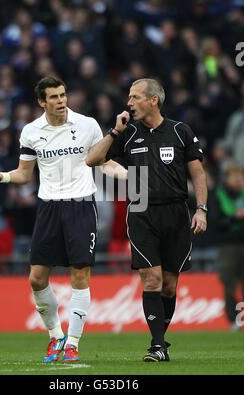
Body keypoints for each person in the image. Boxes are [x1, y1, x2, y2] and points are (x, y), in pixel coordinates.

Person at [0, 76, 106, 364]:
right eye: (54, 97)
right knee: (36, 278)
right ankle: (55, 335)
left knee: (80, 275)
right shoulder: (31, 131)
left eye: (63, 94)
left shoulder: (88, 125)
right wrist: (3, 176)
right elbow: (25, 174)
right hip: (48, 208)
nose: (61, 100)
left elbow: (102, 160)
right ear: (42, 102)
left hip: (81, 205)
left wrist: (130, 177)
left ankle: (73, 342)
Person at [86, 78, 208, 362]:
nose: (129, 103)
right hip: (141, 209)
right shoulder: (127, 133)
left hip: (176, 211)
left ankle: (159, 341)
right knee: (151, 278)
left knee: (169, 284)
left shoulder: (180, 131)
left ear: (153, 100)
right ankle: (157, 345)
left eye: (135, 97)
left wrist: (201, 209)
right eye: (129, 97)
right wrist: (115, 131)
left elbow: (198, 174)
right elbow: (92, 160)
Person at [208, 162, 244, 331]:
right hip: (228, 245)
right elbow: (215, 222)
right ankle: (234, 320)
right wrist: (234, 218)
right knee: (229, 284)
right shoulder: (217, 195)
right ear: (227, 179)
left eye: (241, 177)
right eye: (235, 177)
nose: (239, 181)